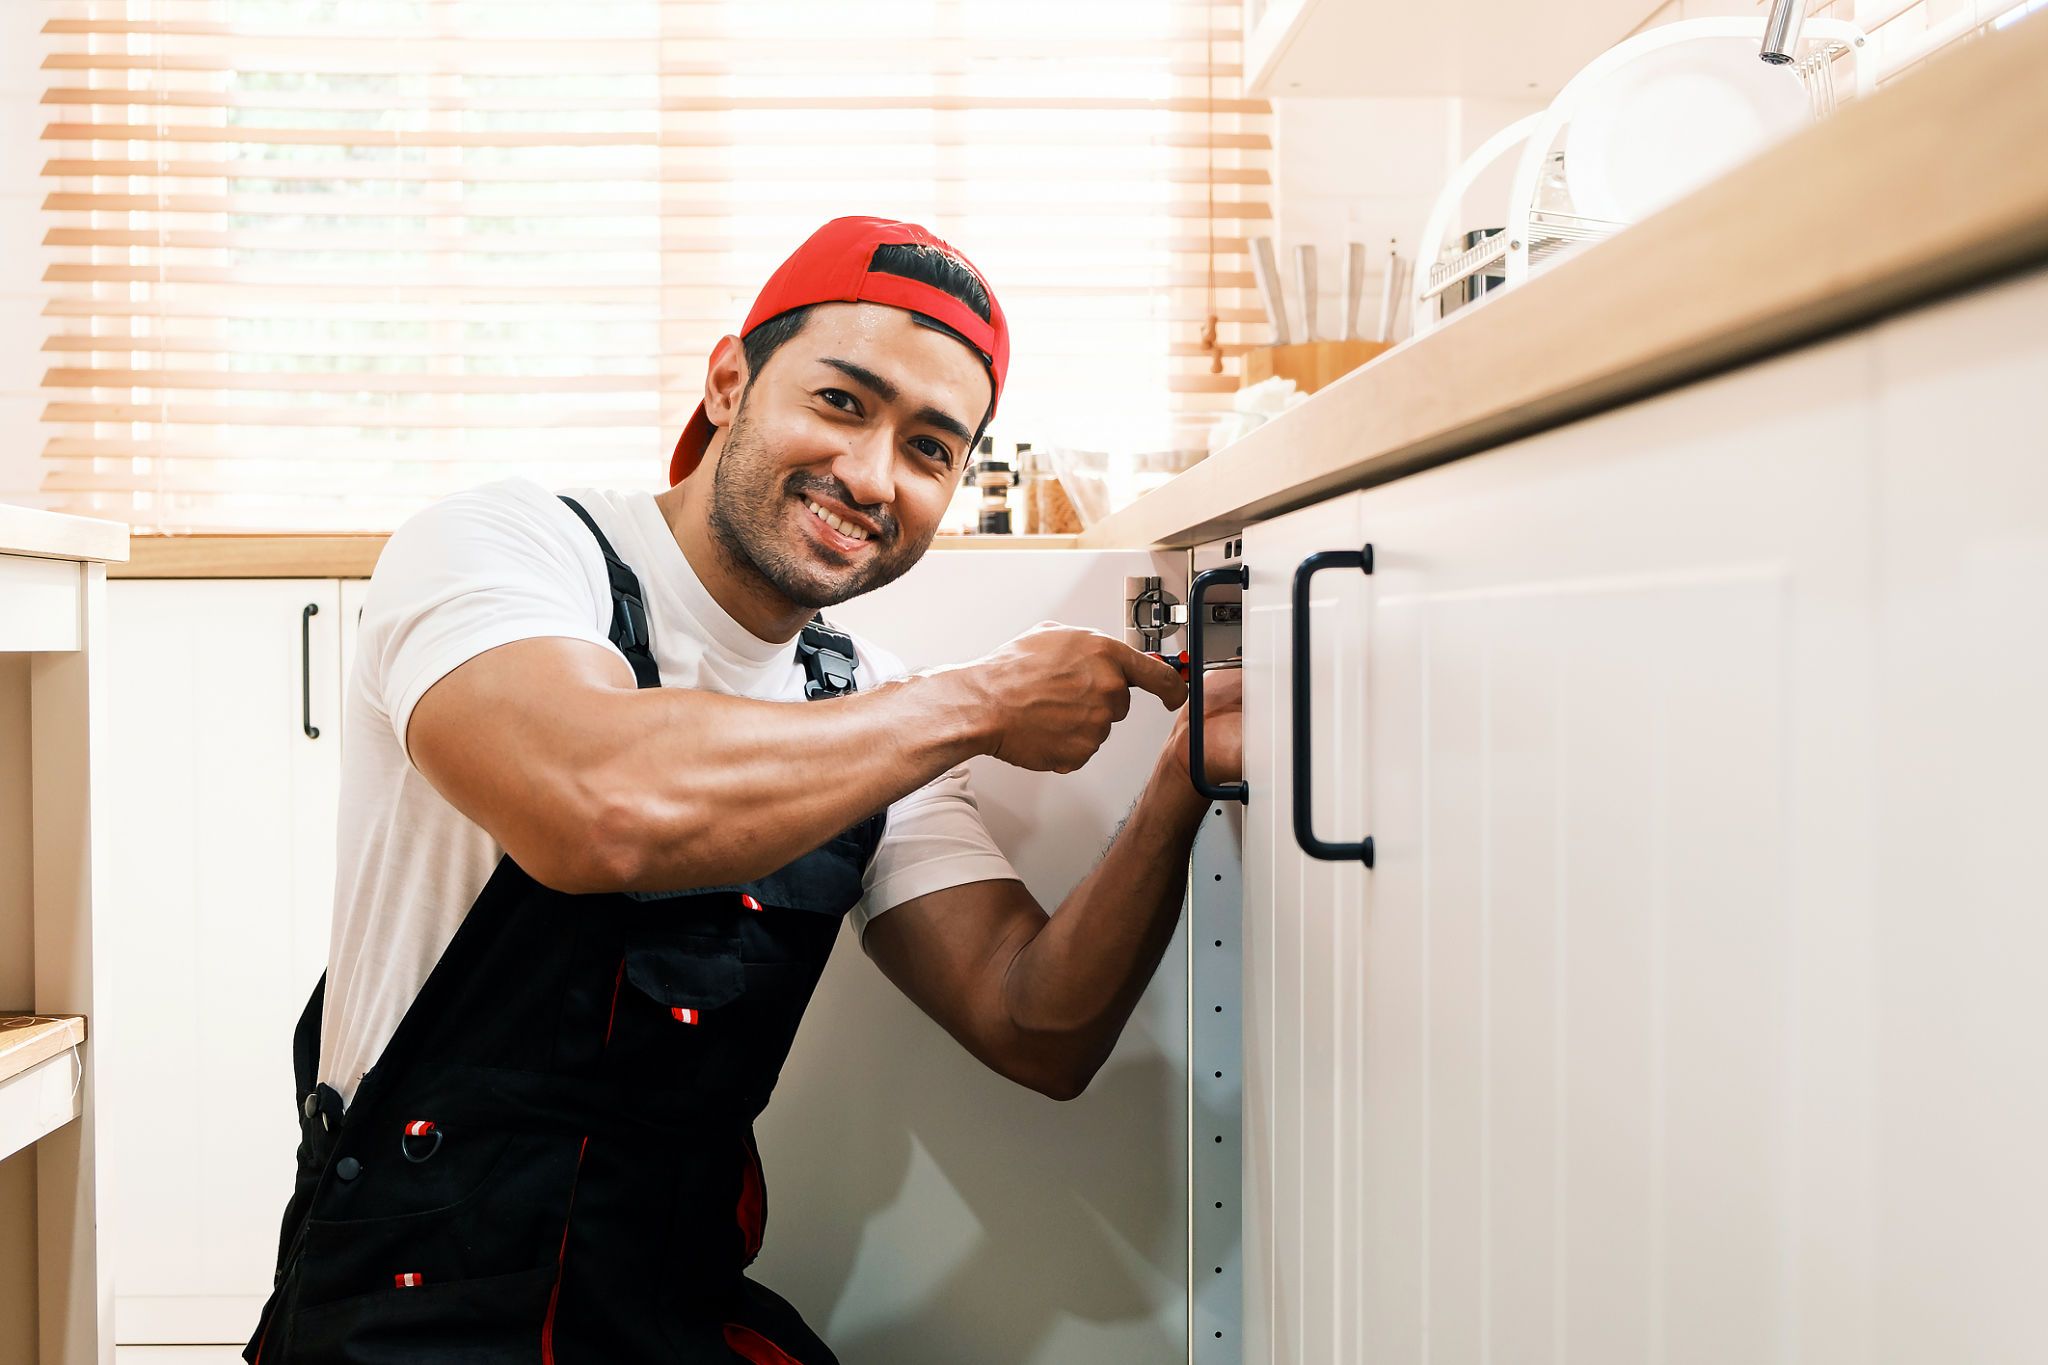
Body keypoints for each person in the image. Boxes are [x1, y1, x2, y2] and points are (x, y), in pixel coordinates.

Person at [245, 216, 1244, 1365]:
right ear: (728, 382)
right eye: (840, 401)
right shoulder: (508, 551)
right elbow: (597, 805)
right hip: (411, 1311)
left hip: (659, 1314)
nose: (869, 475)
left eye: (928, 449)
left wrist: (1180, 778)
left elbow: (1035, 1027)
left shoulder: (866, 704)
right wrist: (974, 704)